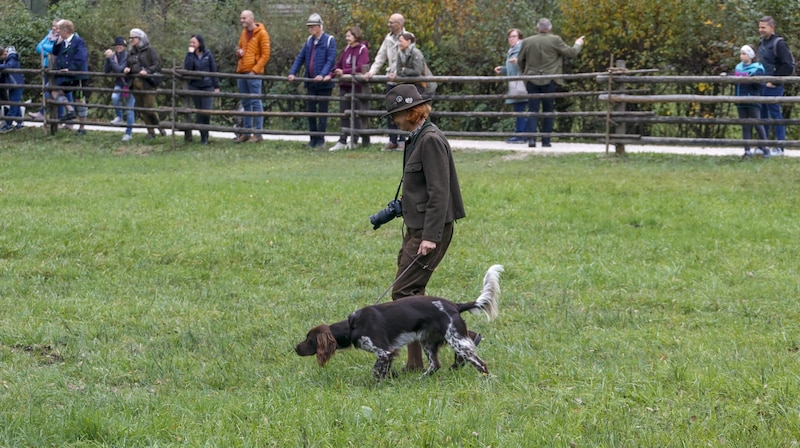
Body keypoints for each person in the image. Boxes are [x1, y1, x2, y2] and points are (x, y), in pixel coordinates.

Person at [380, 84, 466, 372]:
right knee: (412, 294)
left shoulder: (430, 140)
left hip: (431, 229)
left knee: (403, 293)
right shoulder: (416, 138)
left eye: (397, 115)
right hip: (417, 225)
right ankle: (433, 354)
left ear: (411, 112)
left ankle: (421, 360)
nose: (395, 121)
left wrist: (429, 236)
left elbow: (439, 192)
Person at [517, 18, 584, 148]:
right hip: (550, 79)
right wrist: (578, 43)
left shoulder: (527, 41)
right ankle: (546, 141)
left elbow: (520, 60)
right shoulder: (555, 40)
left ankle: (531, 140)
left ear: (537, 28)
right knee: (548, 110)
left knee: (532, 110)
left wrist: (526, 73)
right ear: (550, 28)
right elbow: (571, 53)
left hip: (531, 79)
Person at [288, 13, 337, 148]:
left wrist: (322, 74)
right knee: (310, 111)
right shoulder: (309, 41)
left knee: (322, 112)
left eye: (312, 26)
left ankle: (320, 139)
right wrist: (292, 72)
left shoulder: (329, 40)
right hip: (310, 82)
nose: (310, 29)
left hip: (324, 84)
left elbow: (330, 60)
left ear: (319, 26)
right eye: (309, 27)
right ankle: (312, 139)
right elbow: (300, 58)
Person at [365, 13, 409, 151]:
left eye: (392, 22)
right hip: (390, 79)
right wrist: (372, 71)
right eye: (389, 22)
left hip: (403, 79)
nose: (389, 24)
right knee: (391, 110)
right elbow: (381, 56)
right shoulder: (388, 38)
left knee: (403, 109)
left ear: (399, 24)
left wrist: (400, 73)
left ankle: (403, 139)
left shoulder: (409, 37)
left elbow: (411, 58)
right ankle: (392, 139)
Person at [757, 16, 793, 156]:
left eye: (763, 27)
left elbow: (787, 65)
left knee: (775, 114)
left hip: (773, 86)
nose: (761, 30)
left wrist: (774, 81)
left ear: (771, 28)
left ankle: (780, 146)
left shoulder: (779, 43)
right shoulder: (762, 43)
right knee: (762, 115)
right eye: (759, 27)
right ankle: (763, 146)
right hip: (761, 85)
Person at [330, 26, 371, 151]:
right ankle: (342, 139)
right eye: (346, 35)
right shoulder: (346, 49)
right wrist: (332, 73)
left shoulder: (362, 50)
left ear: (355, 36)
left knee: (357, 114)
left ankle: (355, 140)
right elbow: (338, 63)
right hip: (344, 85)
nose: (347, 38)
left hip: (356, 86)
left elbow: (360, 67)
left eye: (349, 35)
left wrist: (344, 71)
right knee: (344, 114)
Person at [234, 10, 271, 143]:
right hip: (242, 71)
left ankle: (258, 133)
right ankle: (246, 132)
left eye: (244, 18)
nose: (242, 20)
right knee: (245, 102)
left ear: (251, 18)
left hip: (253, 73)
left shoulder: (262, 34)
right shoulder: (244, 33)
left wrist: (255, 70)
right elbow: (239, 48)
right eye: (241, 18)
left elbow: (265, 55)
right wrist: (239, 53)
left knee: (256, 102)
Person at [124, 28, 164, 140]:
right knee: (142, 109)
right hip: (135, 84)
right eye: (130, 38)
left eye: (133, 38)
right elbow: (128, 64)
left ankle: (160, 127)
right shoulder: (131, 51)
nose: (131, 40)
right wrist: (127, 69)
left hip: (147, 84)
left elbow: (157, 64)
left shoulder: (149, 50)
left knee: (149, 108)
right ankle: (151, 132)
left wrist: (147, 71)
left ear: (140, 38)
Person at [51, 19, 90, 136]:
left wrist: (71, 69)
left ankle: (82, 128)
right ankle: (70, 110)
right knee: (54, 90)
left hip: (76, 75)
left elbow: (81, 57)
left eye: (59, 30)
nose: (57, 32)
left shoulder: (78, 41)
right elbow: (55, 52)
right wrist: (57, 41)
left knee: (79, 100)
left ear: (65, 30)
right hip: (65, 76)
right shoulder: (63, 42)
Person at [732, 45, 769, 159]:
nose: (741, 56)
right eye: (741, 54)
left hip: (752, 100)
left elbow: (760, 85)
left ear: (751, 55)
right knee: (745, 126)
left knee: (758, 124)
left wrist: (753, 79)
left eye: (744, 54)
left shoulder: (757, 68)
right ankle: (747, 150)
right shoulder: (738, 67)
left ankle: (765, 148)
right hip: (740, 99)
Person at [184, 34, 220, 145]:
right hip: (195, 86)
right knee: (199, 112)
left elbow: (213, 70)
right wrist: (190, 54)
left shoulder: (208, 54)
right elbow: (188, 68)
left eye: (194, 42)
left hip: (208, 86)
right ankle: (202, 137)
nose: (192, 44)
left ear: (200, 43)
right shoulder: (190, 55)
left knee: (206, 111)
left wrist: (216, 86)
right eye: (190, 43)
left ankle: (206, 136)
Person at [494, 28, 527, 143]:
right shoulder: (512, 49)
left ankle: (521, 135)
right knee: (519, 109)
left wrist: (517, 61)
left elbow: (526, 63)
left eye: (514, 36)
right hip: (514, 82)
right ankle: (520, 134)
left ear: (519, 38)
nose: (511, 39)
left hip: (521, 82)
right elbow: (512, 68)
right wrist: (503, 69)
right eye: (510, 37)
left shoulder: (521, 48)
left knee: (520, 109)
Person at [30, 19, 67, 123]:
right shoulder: (49, 36)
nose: (54, 28)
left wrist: (46, 49)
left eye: (56, 26)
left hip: (57, 68)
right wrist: (48, 52)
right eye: (53, 26)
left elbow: (55, 49)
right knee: (52, 91)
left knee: (52, 90)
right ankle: (58, 118)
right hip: (46, 67)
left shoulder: (62, 37)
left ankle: (46, 113)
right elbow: (38, 47)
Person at [104, 36, 135, 141]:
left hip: (128, 85)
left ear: (124, 47)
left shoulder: (126, 56)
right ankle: (119, 116)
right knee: (114, 97)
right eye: (117, 45)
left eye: (121, 45)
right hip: (119, 83)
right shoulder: (114, 56)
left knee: (129, 109)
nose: (119, 47)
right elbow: (106, 71)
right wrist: (107, 59)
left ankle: (128, 133)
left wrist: (111, 59)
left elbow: (119, 70)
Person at [0, 46, 24, 132]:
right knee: (15, 103)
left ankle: (8, 124)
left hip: (16, 83)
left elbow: (8, 66)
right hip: (12, 83)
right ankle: (20, 122)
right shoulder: (7, 58)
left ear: (4, 54)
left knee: (13, 104)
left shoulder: (12, 57)